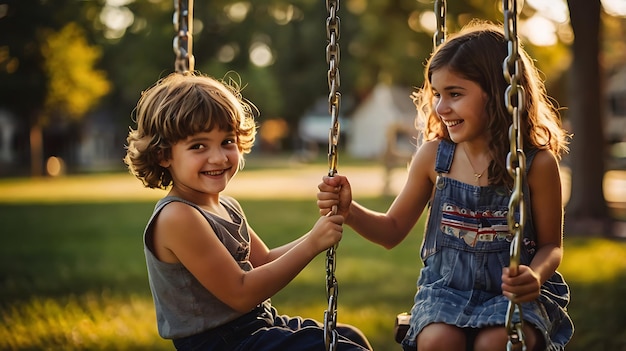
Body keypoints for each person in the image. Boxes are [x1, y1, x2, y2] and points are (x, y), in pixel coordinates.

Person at [317, 20, 574, 351]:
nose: (441, 107)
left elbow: (551, 245)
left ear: (500, 92)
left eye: (455, 94)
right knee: (438, 341)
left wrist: (535, 276)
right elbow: (391, 230)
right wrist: (348, 209)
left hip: (511, 295)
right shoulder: (434, 157)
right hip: (446, 293)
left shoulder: (535, 165)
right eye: (437, 94)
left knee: (498, 342)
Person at [124, 72, 372, 351]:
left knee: (349, 337)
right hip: (221, 343)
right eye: (198, 146)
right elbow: (241, 293)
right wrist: (313, 244)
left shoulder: (226, 205)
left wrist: (322, 228)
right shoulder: (177, 217)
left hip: (256, 325)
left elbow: (263, 260)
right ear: (163, 155)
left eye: (227, 141)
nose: (218, 157)